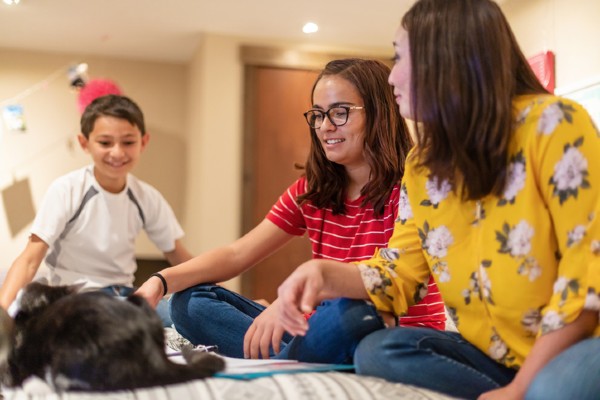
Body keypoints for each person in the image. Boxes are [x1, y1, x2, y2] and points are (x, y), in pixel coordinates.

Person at [277, 0, 600, 399]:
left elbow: (586, 283)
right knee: (379, 351)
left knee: (557, 386)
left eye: (399, 57)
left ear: (447, 55)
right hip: (490, 355)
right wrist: (325, 274)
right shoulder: (423, 165)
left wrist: (518, 389)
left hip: (576, 344)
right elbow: (400, 274)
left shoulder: (556, 125)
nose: (392, 76)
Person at [135, 58, 446, 363]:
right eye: (318, 115)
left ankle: (287, 358)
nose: (325, 126)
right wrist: (159, 281)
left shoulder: (415, 186)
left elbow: (390, 287)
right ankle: (295, 358)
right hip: (316, 328)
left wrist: (292, 304)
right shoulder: (313, 190)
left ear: (381, 114)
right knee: (188, 303)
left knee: (354, 314)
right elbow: (237, 254)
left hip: (382, 330)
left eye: (340, 113)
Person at [0, 94, 192, 326]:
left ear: (144, 142)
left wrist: (219, 292)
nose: (117, 152)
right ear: (84, 143)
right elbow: (30, 258)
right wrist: (2, 312)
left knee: (190, 317)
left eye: (128, 142)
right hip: (73, 297)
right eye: (105, 143)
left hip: (127, 296)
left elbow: (178, 256)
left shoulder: (146, 197)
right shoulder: (67, 189)